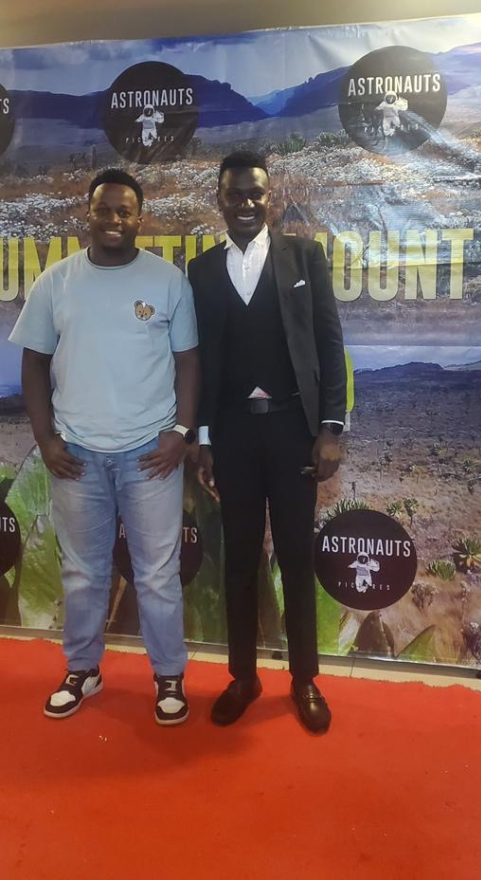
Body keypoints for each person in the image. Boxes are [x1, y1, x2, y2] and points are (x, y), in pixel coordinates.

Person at [9, 167, 199, 725]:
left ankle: (169, 677)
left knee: (157, 574)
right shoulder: (56, 282)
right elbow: (34, 363)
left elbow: (189, 362)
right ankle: (83, 670)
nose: (113, 219)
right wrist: (45, 439)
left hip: (150, 455)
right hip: (77, 456)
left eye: (124, 211)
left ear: (140, 218)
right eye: (103, 209)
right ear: (87, 214)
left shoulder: (168, 281)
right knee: (83, 572)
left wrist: (181, 433)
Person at [188, 151, 346, 733]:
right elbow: (203, 360)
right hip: (233, 434)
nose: (246, 204)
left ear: (270, 196)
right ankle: (243, 678)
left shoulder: (305, 257)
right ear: (220, 199)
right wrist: (204, 438)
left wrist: (330, 429)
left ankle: (304, 679)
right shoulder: (202, 270)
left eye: (255, 193)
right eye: (235, 194)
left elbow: (329, 344)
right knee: (239, 561)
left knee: (297, 557)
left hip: (292, 432)